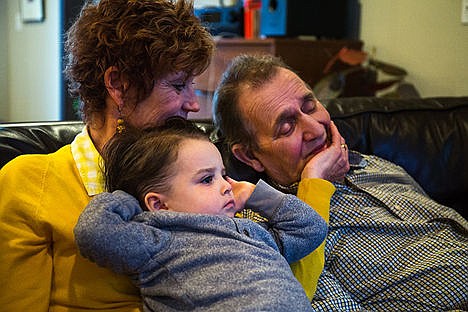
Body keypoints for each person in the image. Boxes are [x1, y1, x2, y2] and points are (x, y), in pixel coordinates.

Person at [0, 1, 215, 311]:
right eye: (178, 85)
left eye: (192, 85)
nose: (193, 104)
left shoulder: (198, 176)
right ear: (118, 84)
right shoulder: (29, 184)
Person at [212, 54, 468, 311]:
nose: (316, 129)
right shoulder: (262, 231)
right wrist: (314, 183)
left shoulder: (372, 164)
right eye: (287, 127)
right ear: (249, 156)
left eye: (310, 106)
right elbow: (296, 300)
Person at [74, 119, 330, 311]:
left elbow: (311, 229)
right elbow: (93, 232)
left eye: (223, 173)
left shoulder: (252, 231)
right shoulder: (158, 240)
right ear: (159, 205)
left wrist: (256, 194)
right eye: (207, 179)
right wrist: (125, 197)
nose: (227, 185)